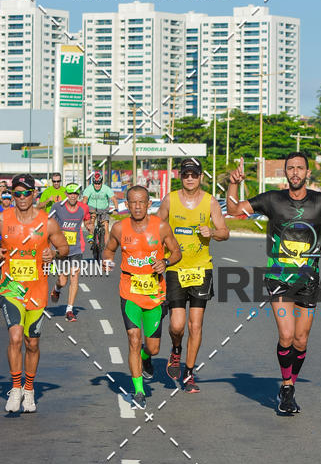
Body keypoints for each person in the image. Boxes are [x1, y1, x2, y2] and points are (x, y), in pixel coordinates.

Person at [227, 152, 321, 415]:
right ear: (285, 172)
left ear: (307, 173)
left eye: (299, 168)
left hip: (309, 280)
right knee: (287, 335)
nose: (295, 172)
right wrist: (233, 183)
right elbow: (234, 210)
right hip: (279, 278)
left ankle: (289, 383)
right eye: (290, 168)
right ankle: (288, 386)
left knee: (301, 341)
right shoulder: (272, 199)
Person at [102, 185, 181, 409]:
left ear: (149, 204)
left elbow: (176, 252)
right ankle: (138, 391)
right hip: (130, 292)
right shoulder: (118, 228)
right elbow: (108, 250)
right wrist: (107, 261)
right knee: (133, 339)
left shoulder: (162, 227)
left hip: (155, 294)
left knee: (153, 348)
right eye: (133, 202)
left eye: (141, 202)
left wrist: (165, 262)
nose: (137, 206)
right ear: (126, 205)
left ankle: (147, 358)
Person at [158, 158, 229, 392]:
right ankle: (176, 350)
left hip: (201, 269)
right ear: (181, 176)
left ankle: (189, 373)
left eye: (194, 174)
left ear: (200, 177)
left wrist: (213, 232)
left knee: (195, 325)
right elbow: (156, 227)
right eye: (186, 174)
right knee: (177, 326)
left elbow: (224, 232)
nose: (190, 178)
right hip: (175, 269)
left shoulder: (210, 202)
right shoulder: (170, 200)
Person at [0, 173, 69, 414]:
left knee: (32, 343)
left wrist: (53, 254)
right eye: (16, 193)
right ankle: (15, 388)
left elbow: (63, 247)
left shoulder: (47, 223)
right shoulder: (2, 218)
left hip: (37, 291)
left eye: (25, 193)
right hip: (11, 288)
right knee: (15, 337)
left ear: (33, 195)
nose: (20, 198)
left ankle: (29, 389)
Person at [49, 184, 94, 321]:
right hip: (60, 248)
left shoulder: (83, 208)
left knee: (74, 278)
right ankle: (57, 288)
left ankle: (69, 310)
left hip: (76, 248)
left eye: (75, 193)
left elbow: (87, 219)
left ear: (78, 194)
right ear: (66, 194)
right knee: (63, 280)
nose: (73, 196)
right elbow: (47, 222)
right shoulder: (57, 207)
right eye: (70, 193)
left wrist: (89, 225)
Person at [82, 171, 118, 244]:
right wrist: (83, 209)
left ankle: (107, 245)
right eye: (95, 183)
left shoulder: (106, 188)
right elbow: (85, 199)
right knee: (92, 218)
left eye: (99, 183)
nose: (97, 185)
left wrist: (116, 209)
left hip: (103, 208)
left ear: (101, 182)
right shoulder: (89, 188)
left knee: (106, 226)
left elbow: (114, 199)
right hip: (92, 206)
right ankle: (91, 235)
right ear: (93, 183)